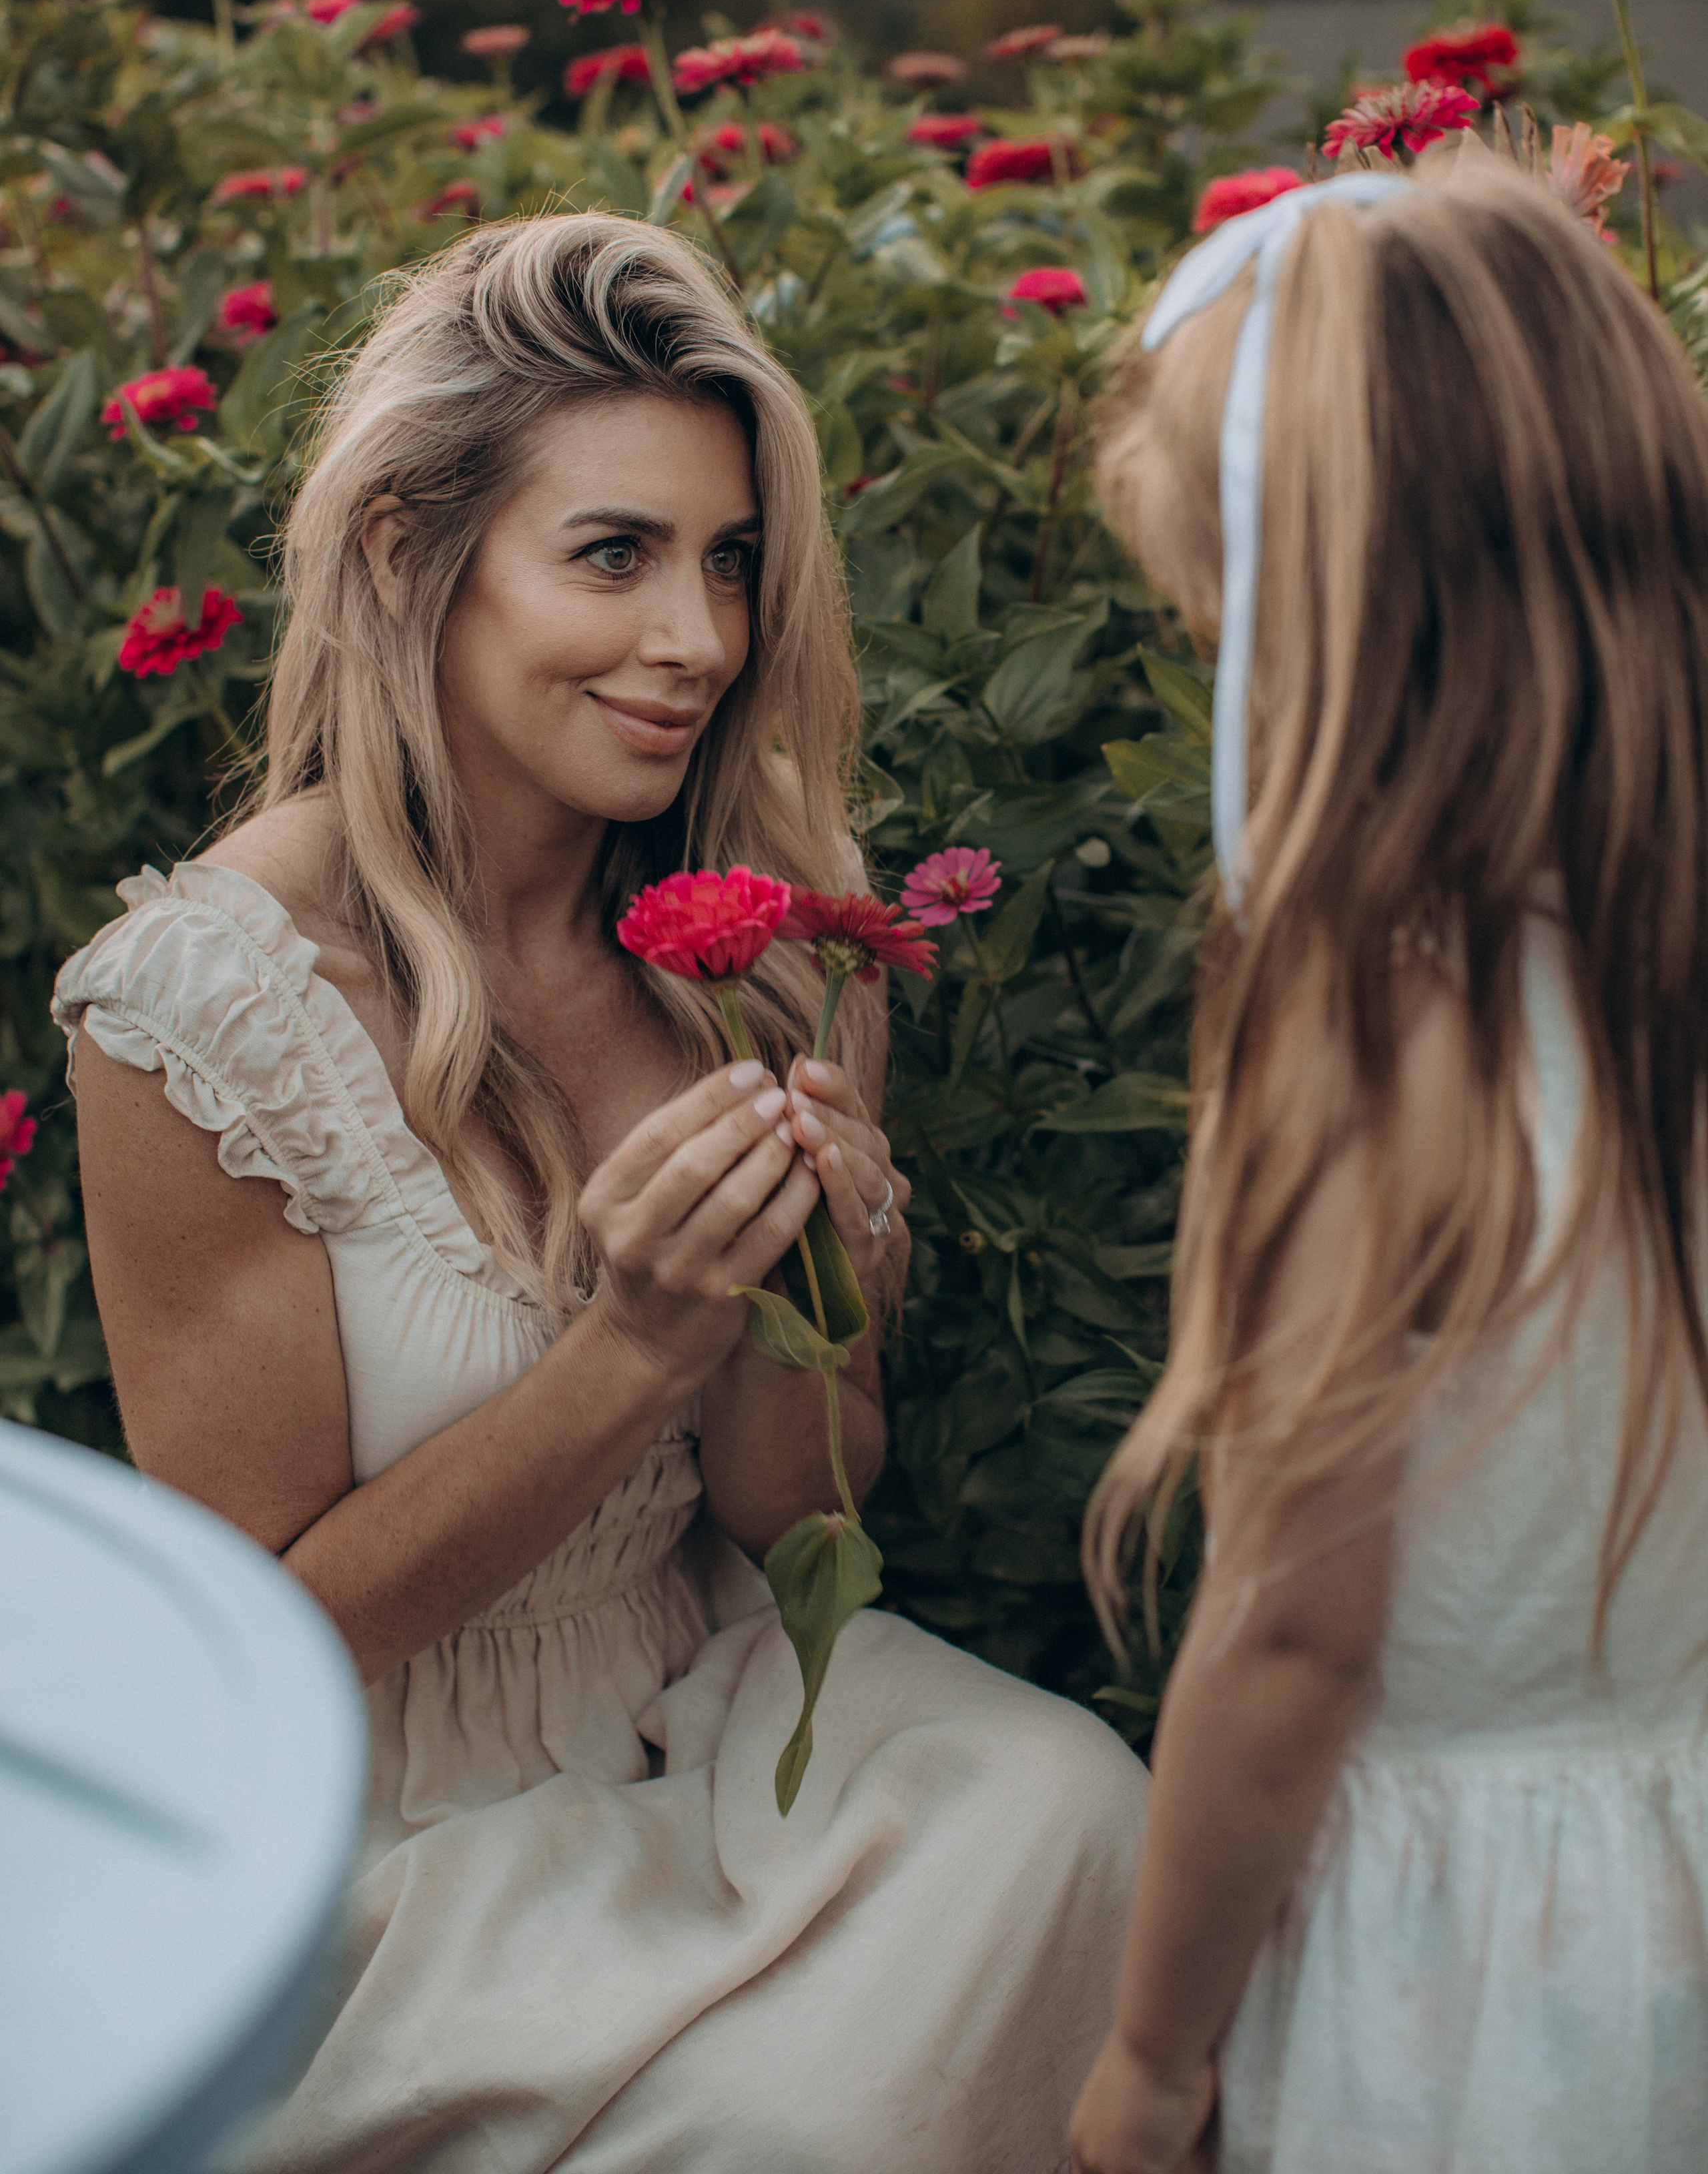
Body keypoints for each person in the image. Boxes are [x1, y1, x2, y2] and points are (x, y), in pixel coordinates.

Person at [55, 212, 1144, 2174]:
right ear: (411, 553)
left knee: (1074, 1807)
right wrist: (633, 1340)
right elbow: (270, 1639)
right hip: (395, 1834)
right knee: (797, 2124)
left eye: (730, 563)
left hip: (704, 1704)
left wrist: (799, 1308)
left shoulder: (758, 951)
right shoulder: (198, 1005)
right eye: (616, 556)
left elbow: (797, 1514)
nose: (701, 643)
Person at [1070, 155, 1708, 2174]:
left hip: (1484, 1972)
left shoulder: (1371, 1045)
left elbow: (1293, 1644)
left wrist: (1154, 2060)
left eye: (1216, 614)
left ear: (1327, 625)